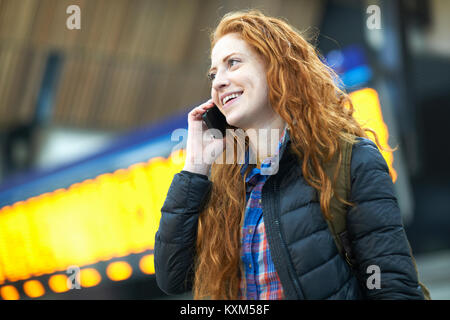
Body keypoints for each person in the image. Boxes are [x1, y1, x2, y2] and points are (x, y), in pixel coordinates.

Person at [154, 10, 425, 300]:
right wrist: (195, 167)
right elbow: (173, 277)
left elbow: (393, 289)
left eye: (232, 63)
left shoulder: (351, 160)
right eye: (213, 73)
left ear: (276, 67)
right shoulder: (224, 182)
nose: (218, 82)